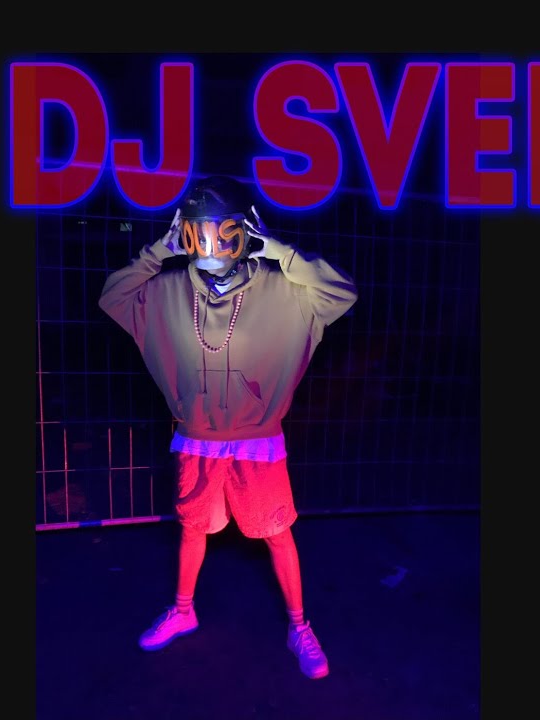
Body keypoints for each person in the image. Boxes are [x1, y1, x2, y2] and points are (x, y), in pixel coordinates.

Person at [98, 175, 357, 680]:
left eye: (222, 232)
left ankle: (299, 625)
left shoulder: (285, 290)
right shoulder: (169, 289)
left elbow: (341, 291)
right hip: (197, 436)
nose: (210, 245)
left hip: (258, 441)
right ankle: (183, 610)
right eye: (198, 233)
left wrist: (279, 252)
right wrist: (159, 252)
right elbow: (113, 296)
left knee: (277, 532)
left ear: (244, 231)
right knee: (194, 527)